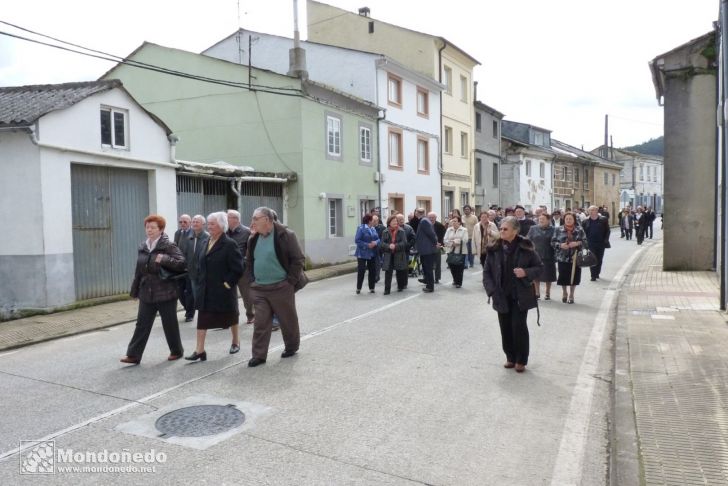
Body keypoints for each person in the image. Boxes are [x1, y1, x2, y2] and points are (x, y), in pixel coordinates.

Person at [121, 214, 185, 365]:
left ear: (161, 229)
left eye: (153, 227)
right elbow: (139, 270)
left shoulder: (168, 245)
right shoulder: (143, 246)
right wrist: (135, 291)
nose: (149, 230)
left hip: (166, 291)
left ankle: (176, 351)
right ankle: (134, 355)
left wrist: (164, 259)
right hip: (146, 292)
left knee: (169, 323)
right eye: (147, 227)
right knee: (142, 324)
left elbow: (181, 263)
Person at [246, 207, 306, 367]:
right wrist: (252, 279)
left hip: (281, 286)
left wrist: (290, 282)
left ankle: (292, 346)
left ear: (267, 219)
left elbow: (298, 259)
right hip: (260, 288)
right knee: (260, 323)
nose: (252, 222)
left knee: (287, 320)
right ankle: (258, 355)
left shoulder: (286, 235)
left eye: (255, 218)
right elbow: (250, 261)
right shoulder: (253, 239)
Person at [483, 216, 543, 373]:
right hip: (501, 294)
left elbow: (539, 267)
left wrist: (526, 272)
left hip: (520, 295)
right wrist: (492, 290)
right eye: (501, 228)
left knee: (518, 326)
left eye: (505, 229)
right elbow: (487, 272)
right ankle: (510, 357)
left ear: (515, 231)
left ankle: (521, 360)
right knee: (505, 327)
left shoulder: (526, 247)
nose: (501, 231)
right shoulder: (494, 247)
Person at [185, 212, 244, 361]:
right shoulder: (206, 242)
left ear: (222, 226)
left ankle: (235, 342)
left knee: (231, 316)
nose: (209, 226)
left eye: (212, 224)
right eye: (209, 223)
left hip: (223, 289)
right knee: (202, 318)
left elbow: (238, 268)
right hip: (205, 288)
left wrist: (227, 284)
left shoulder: (229, 244)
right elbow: (200, 263)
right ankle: (200, 350)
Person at [227, 209, 255, 325]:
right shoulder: (225, 232)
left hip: (243, 270)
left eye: (228, 217)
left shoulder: (247, 232)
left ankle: (251, 315)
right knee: (229, 295)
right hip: (228, 270)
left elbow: (251, 251)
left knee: (246, 295)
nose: (225, 219)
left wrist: (243, 263)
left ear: (236, 219)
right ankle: (233, 317)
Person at [552, 212, 585, 304]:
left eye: (570, 219)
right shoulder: (558, 229)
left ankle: (571, 294)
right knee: (563, 276)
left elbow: (585, 242)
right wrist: (560, 245)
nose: (568, 220)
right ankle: (564, 292)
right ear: (564, 220)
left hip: (576, 257)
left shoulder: (579, 229)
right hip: (562, 257)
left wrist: (577, 243)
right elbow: (553, 242)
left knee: (574, 276)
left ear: (574, 220)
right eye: (567, 219)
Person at [182, 215, 209, 321]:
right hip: (192, 272)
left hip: (204, 273)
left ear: (203, 224)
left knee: (205, 295)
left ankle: (207, 315)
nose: (194, 223)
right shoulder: (189, 237)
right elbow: (186, 253)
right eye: (193, 222)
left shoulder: (207, 237)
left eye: (197, 222)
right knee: (196, 295)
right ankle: (202, 315)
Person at [526, 213, 557, 300]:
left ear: (548, 220)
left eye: (543, 219)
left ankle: (547, 293)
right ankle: (537, 292)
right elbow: (528, 240)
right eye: (540, 219)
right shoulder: (533, 228)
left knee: (548, 276)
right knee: (536, 276)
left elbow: (557, 241)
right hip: (536, 255)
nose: (541, 220)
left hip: (549, 255)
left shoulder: (554, 229)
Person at [379, 214, 408, 294]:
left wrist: (395, 246)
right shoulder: (385, 231)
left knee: (399, 271)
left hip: (398, 254)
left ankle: (400, 286)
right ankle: (387, 289)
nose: (395, 222)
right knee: (388, 272)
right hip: (389, 255)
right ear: (389, 222)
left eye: (396, 221)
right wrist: (389, 246)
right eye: (393, 221)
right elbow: (382, 243)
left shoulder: (401, 231)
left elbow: (404, 243)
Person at [582, 205, 610, 281]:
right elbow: (583, 233)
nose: (591, 212)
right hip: (590, 243)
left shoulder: (603, 220)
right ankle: (593, 275)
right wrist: (584, 243)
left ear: (597, 211)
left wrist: (606, 239)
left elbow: (607, 230)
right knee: (592, 259)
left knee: (599, 259)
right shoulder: (585, 221)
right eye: (590, 210)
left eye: (593, 210)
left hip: (601, 243)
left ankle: (597, 273)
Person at [354, 214, 380, 294]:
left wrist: (375, 242)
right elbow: (357, 240)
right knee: (361, 270)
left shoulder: (373, 229)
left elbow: (378, 239)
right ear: (369, 221)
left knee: (372, 271)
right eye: (373, 220)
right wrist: (367, 245)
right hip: (362, 253)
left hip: (372, 253)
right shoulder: (361, 228)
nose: (374, 221)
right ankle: (359, 288)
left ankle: (372, 287)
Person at [414, 208, 439, 293]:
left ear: (417, 213)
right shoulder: (425, 220)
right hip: (426, 249)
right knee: (426, 268)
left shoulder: (424, 221)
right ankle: (428, 283)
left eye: (416, 212)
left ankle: (430, 286)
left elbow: (431, 234)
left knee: (428, 268)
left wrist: (435, 242)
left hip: (427, 249)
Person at [174, 214, 193, 320]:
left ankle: (190, 314)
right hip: (179, 267)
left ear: (190, 222)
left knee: (189, 291)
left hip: (190, 267)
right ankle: (188, 308)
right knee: (180, 291)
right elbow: (175, 248)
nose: (182, 224)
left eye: (185, 222)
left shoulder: (193, 233)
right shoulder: (177, 233)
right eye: (180, 222)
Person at [443, 215, 468, 288]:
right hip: (450, 251)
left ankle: (458, 282)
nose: (453, 222)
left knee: (459, 268)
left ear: (459, 222)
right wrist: (452, 243)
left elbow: (465, 240)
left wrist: (454, 241)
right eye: (452, 221)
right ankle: (455, 279)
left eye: (455, 221)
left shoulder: (464, 230)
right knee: (452, 266)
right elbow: (445, 240)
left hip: (461, 252)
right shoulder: (449, 229)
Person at [428, 212, 446, 283]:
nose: (431, 219)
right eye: (430, 217)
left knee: (437, 263)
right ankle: (427, 278)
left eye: (433, 217)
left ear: (436, 218)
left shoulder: (440, 225)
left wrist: (440, 243)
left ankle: (437, 278)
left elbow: (443, 235)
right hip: (428, 247)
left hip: (437, 246)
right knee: (428, 263)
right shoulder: (426, 225)